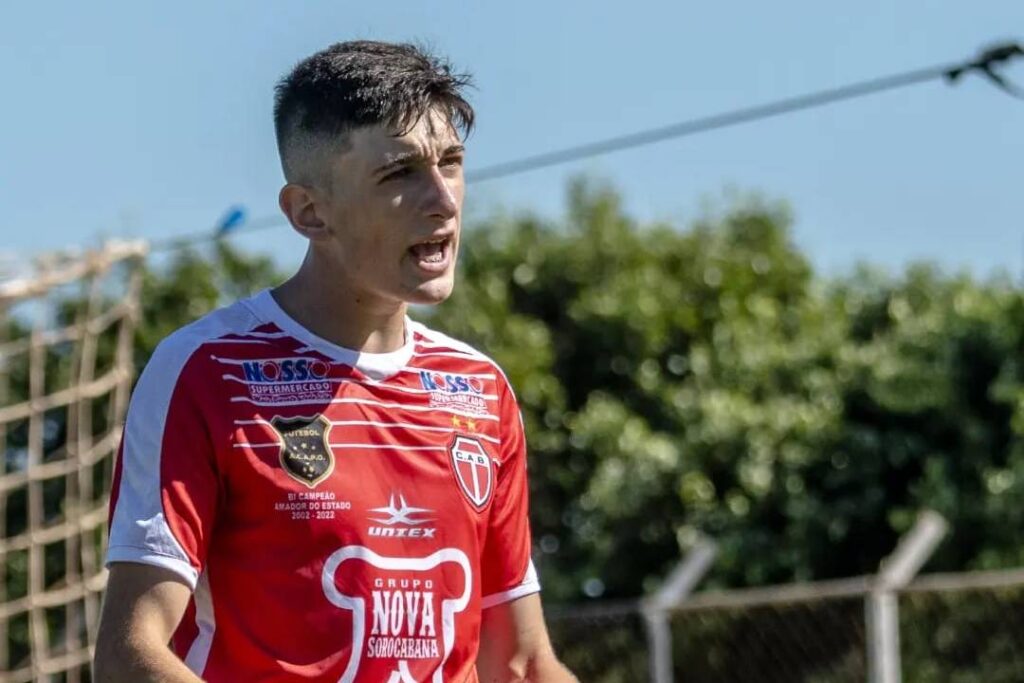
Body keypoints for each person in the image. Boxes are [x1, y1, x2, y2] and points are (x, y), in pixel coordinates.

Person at [93, 40, 576, 682]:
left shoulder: (478, 390)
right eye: (399, 173)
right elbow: (130, 655)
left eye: (451, 163)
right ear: (309, 212)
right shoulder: (207, 370)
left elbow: (521, 663)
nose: (444, 200)